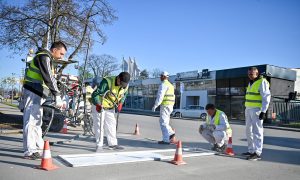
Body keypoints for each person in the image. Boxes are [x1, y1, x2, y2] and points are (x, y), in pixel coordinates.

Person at [22, 41, 67, 159]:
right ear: (54, 50)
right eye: (61, 54)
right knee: (31, 121)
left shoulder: (47, 59)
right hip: (33, 91)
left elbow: (50, 79)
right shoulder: (44, 56)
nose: (62, 56)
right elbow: (48, 77)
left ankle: (37, 147)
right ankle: (29, 151)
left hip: (38, 93)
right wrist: (57, 95)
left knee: (37, 121)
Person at [91, 72, 130, 152]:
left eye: (124, 84)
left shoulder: (125, 85)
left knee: (111, 125)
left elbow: (125, 94)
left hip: (110, 107)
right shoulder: (107, 81)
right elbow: (95, 94)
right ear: (118, 78)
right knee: (99, 125)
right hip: (100, 105)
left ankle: (112, 144)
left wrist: (121, 103)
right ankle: (99, 145)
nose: (121, 86)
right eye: (121, 83)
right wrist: (98, 104)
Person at [243, 67, 271, 161]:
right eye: (248, 74)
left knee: (257, 131)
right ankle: (251, 150)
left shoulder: (262, 82)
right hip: (248, 109)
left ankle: (257, 153)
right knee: (248, 130)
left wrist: (263, 111)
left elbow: (266, 97)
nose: (249, 76)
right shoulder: (251, 82)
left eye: (251, 74)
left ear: (257, 73)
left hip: (256, 110)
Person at [152, 71, 177, 144]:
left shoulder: (163, 85)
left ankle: (166, 139)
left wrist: (155, 105)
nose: (160, 77)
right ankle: (171, 133)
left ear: (164, 77)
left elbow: (160, 96)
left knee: (163, 123)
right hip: (170, 105)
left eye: (161, 76)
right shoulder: (170, 85)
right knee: (165, 122)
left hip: (165, 105)